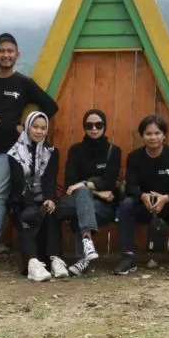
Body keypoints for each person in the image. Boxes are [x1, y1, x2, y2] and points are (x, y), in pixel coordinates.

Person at [0, 33, 58, 266]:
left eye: (10, 51)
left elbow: (50, 106)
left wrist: (24, 127)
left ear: (17, 54)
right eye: (1, 51)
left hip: (10, 151)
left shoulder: (23, 83)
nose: (6, 55)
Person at [113, 115, 169, 275]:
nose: (153, 137)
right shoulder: (135, 157)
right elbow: (130, 187)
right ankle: (128, 256)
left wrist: (166, 198)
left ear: (164, 135)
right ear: (142, 136)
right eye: (148, 133)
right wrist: (142, 196)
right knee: (126, 204)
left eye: (157, 133)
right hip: (146, 206)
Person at [59, 109, 121, 276]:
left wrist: (84, 183)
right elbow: (69, 184)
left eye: (99, 125)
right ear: (84, 127)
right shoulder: (75, 150)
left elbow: (110, 182)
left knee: (81, 200)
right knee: (82, 197)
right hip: (86, 201)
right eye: (89, 125)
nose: (94, 129)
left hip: (104, 208)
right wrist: (97, 191)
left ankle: (84, 257)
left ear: (105, 126)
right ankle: (87, 244)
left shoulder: (113, 151)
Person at [6, 112, 66, 281]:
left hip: (42, 198)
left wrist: (49, 199)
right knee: (28, 215)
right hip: (20, 200)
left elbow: (49, 179)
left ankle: (55, 260)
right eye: (35, 127)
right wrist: (32, 203)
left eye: (43, 128)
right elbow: (18, 183)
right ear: (27, 127)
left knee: (51, 209)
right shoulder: (15, 152)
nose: (39, 131)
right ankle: (33, 263)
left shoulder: (51, 152)